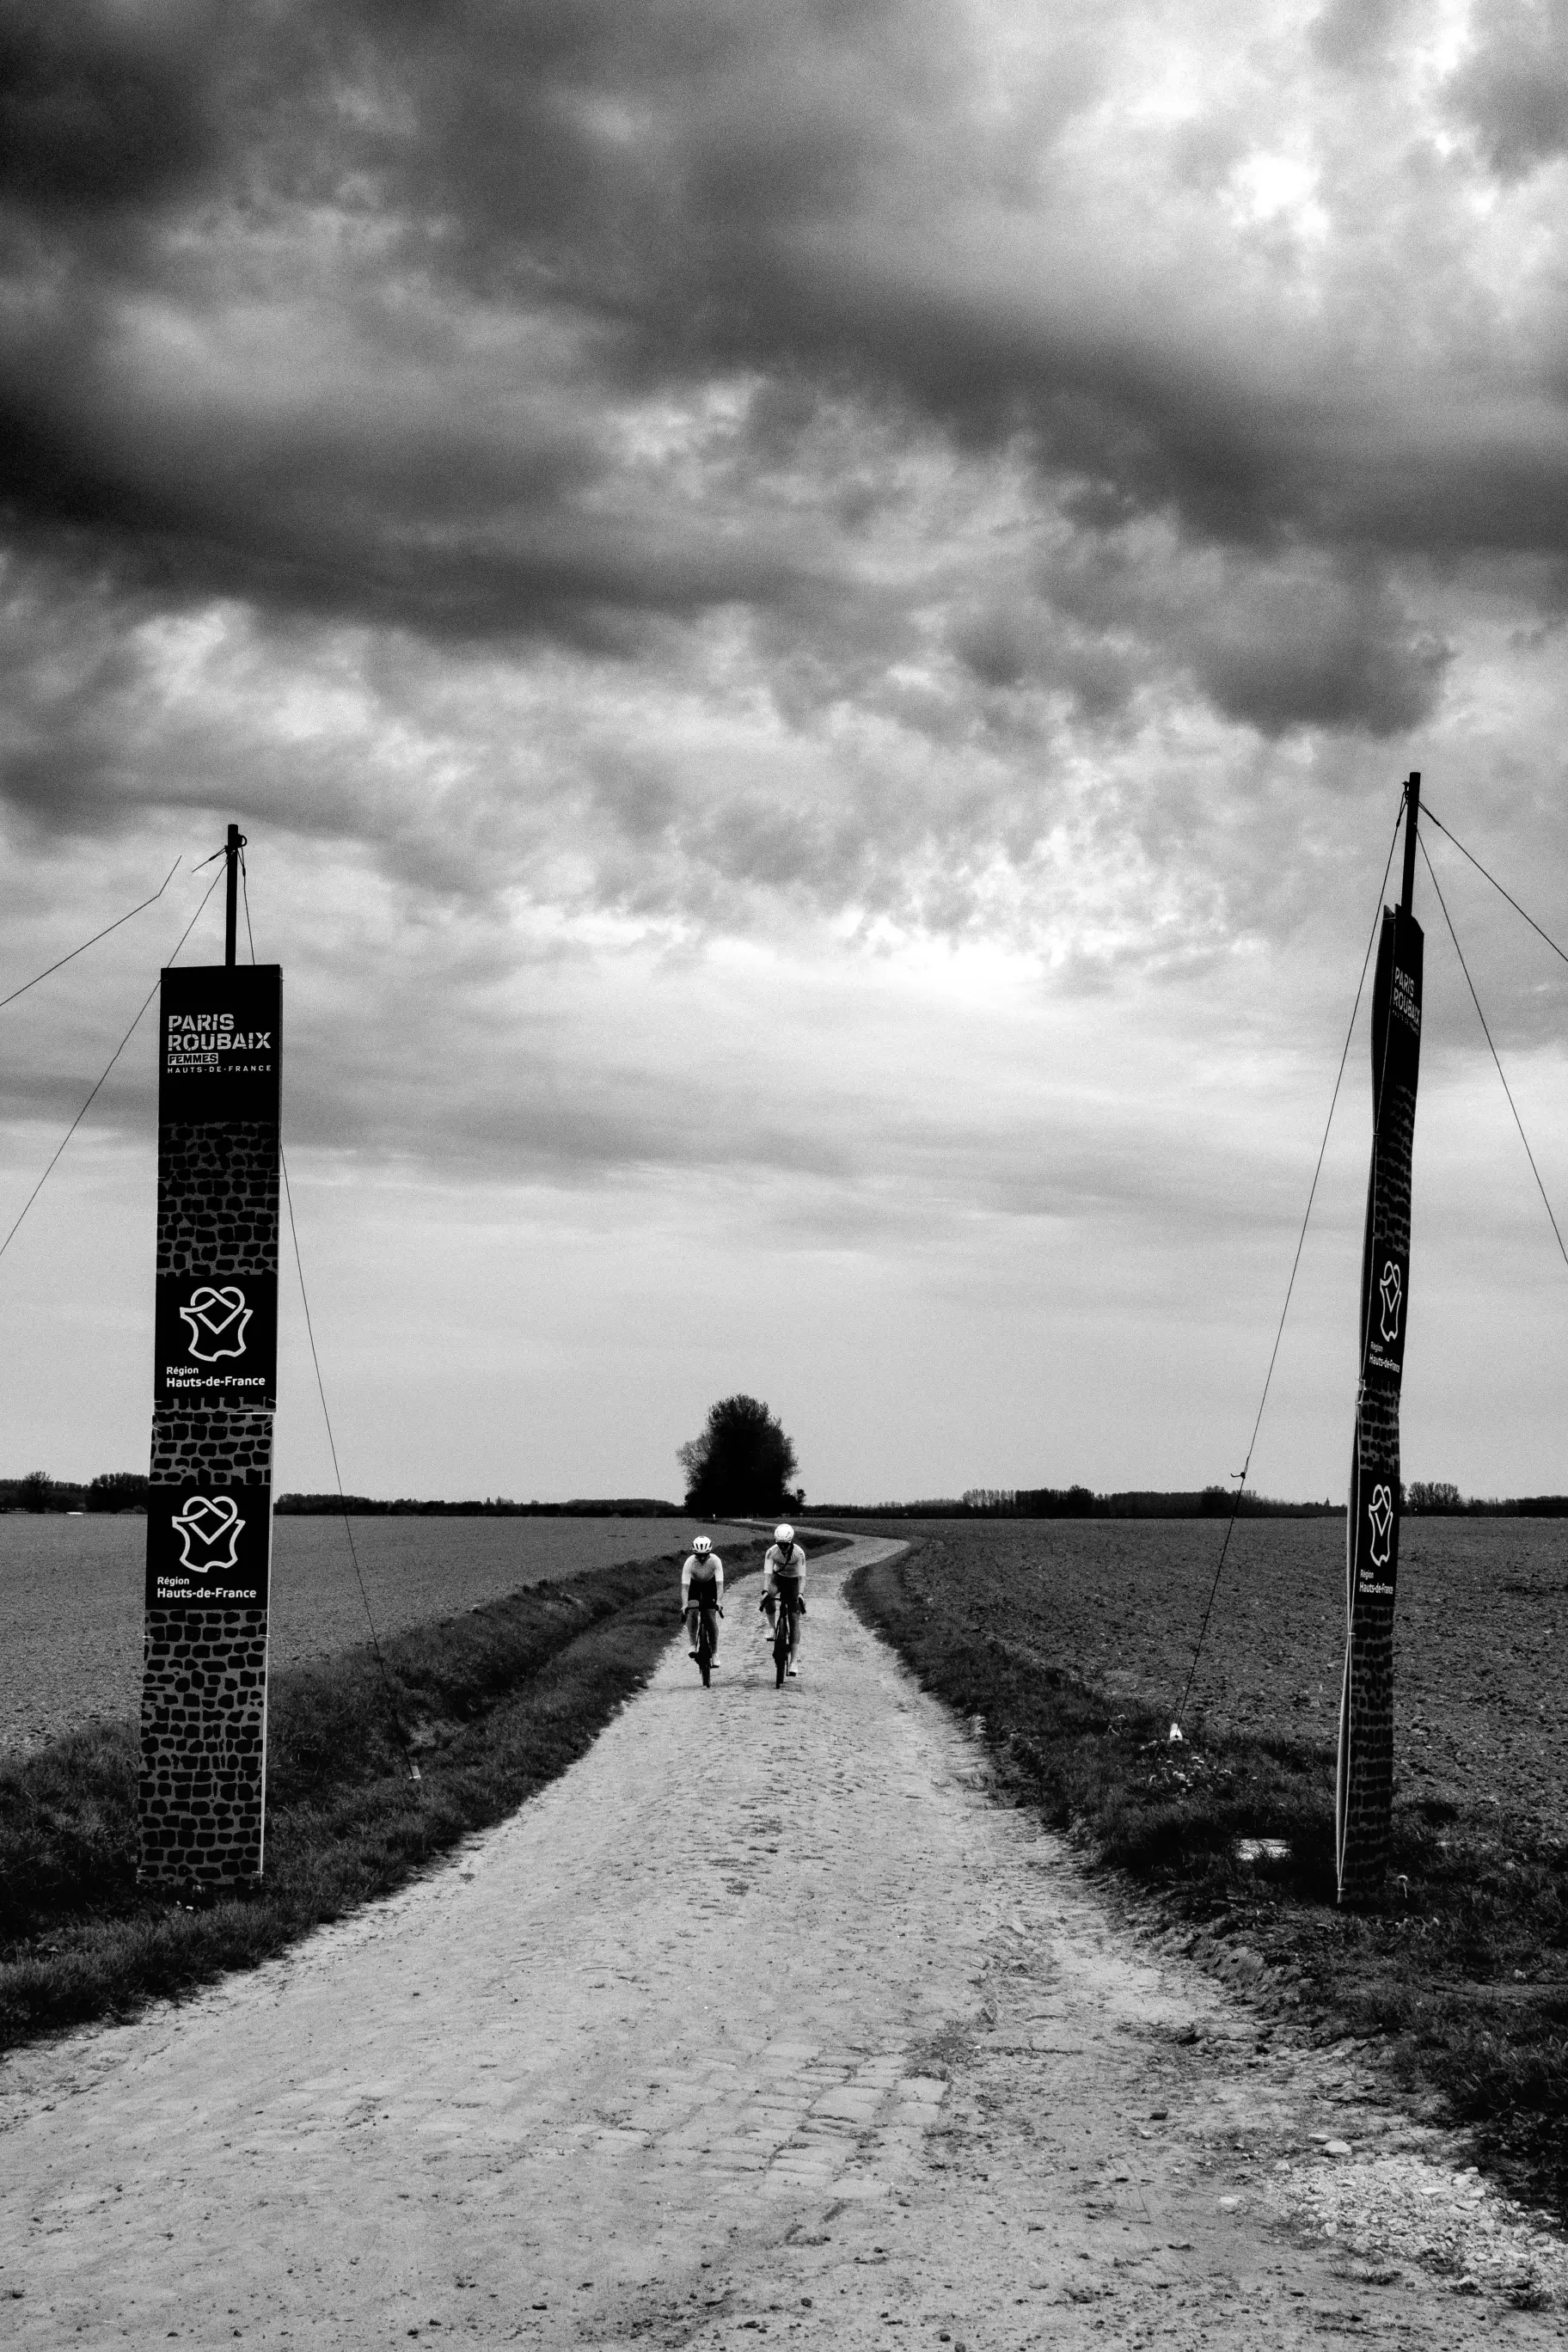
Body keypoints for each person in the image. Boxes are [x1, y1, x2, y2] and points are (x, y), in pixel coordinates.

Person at [760, 1522, 806, 1677]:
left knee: (794, 1620)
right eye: (780, 1544)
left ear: (791, 1542)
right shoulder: (771, 1552)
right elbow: (767, 1574)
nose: (783, 1547)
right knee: (768, 1597)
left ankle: (794, 1662)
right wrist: (766, 1591)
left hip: (793, 1582)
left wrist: (800, 1594)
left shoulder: (799, 1553)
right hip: (777, 1578)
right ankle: (772, 1628)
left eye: (785, 1544)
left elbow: (802, 1577)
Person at [681, 1533, 724, 1668]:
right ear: (695, 1554)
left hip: (710, 1586)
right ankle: (693, 1645)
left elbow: (720, 1584)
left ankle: (715, 1654)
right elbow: (685, 1588)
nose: (702, 1558)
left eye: (705, 1555)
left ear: (709, 1553)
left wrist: (719, 1602)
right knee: (692, 1612)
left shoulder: (715, 1561)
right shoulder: (689, 1563)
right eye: (699, 1555)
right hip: (694, 1586)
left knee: (711, 1617)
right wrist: (684, 1605)